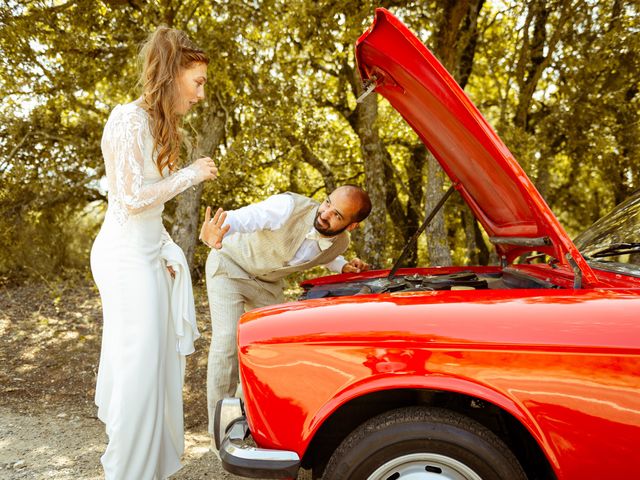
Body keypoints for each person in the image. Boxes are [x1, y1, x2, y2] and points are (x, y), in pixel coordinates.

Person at [90, 26, 225, 479]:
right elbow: (129, 199)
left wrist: (171, 250)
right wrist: (191, 173)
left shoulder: (161, 126)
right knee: (140, 366)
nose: (202, 94)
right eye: (198, 81)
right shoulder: (127, 119)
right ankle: (126, 471)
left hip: (148, 253)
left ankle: (147, 468)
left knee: (159, 361)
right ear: (172, 74)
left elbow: (152, 209)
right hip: (123, 256)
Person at [199, 186, 372, 436]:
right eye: (326, 204)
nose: (325, 214)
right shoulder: (288, 207)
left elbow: (324, 253)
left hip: (267, 285)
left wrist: (343, 266)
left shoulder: (341, 242)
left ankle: (244, 413)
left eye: (337, 215)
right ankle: (219, 430)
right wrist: (220, 228)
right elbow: (248, 217)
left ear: (351, 225)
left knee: (269, 351)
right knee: (227, 341)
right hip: (231, 266)